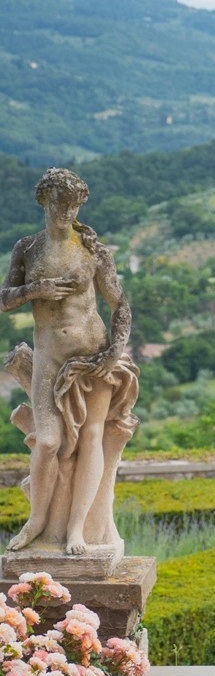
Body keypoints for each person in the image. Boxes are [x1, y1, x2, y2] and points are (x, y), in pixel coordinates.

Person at [0, 167, 138, 555]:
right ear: (44, 200)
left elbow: (119, 304)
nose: (66, 211)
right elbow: (3, 299)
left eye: (73, 204)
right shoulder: (27, 249)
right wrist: (35, 290)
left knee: (92, 436)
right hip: (49, 354)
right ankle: (37, 521)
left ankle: (77, 530)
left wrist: (115, 351)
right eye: (60, 202)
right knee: (47, 442)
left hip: (93, 355)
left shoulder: (93, 249)